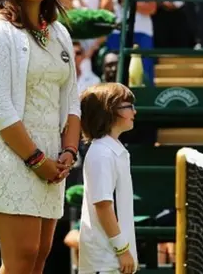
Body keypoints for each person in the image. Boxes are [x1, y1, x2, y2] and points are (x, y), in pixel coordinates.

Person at [0, 0, 81, 274]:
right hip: (9, 153)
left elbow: (71, 98)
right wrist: (35, 160)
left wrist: (69, 152)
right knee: (21, 257)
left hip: (51, 155)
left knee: (38, 257)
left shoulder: (59, 32)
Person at [78, 82, 138, 274]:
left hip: (113, 260)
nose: (134, 112)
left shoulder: (114, 150)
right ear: (109, 112)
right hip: (104, 262)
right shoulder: (102, 154)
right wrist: (122, 250)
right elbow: (103, 205)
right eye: (128, 106)